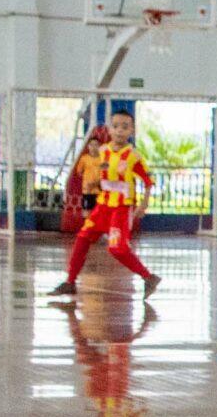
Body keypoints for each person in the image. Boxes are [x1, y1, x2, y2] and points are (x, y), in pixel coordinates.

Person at [52, 109, 160, 297]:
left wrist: (143, 205)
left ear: (132, 131)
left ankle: (148, 277)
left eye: (125, 127)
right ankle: (70, 281)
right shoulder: (102, 152)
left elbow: (149, 181)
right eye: (116, 126)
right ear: (109, 129)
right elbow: (103, 172)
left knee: (117, 248)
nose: (119, 131)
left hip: (121, 208)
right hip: (102, 206)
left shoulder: (133, 156)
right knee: (82, 238)